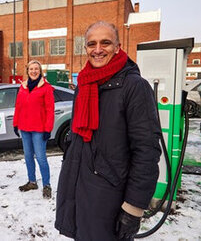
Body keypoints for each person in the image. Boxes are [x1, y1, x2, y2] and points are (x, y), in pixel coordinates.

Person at [55, 21, 162, 240]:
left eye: (105, 43)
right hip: (80, 187)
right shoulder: (85, 84)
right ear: (85, 48)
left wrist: (133, 208)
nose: (97, 50)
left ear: (118, 47)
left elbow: (147, 151)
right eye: (91, 44)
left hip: (111, 196)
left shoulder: (134, 87)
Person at [13, 60, 55, 199]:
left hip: (39, 129)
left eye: (36, 69)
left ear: (40, 71)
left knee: (41, 158)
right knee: (28, 156)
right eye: (31, 69)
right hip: (24, 128)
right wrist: (15, 123)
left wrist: (48, 129)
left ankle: (46, 185)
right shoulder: (23, 87)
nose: (34, 71)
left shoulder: (46, 87)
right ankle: (32, 182)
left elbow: (50, 110)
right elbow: (18, 106)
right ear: (28, 71)